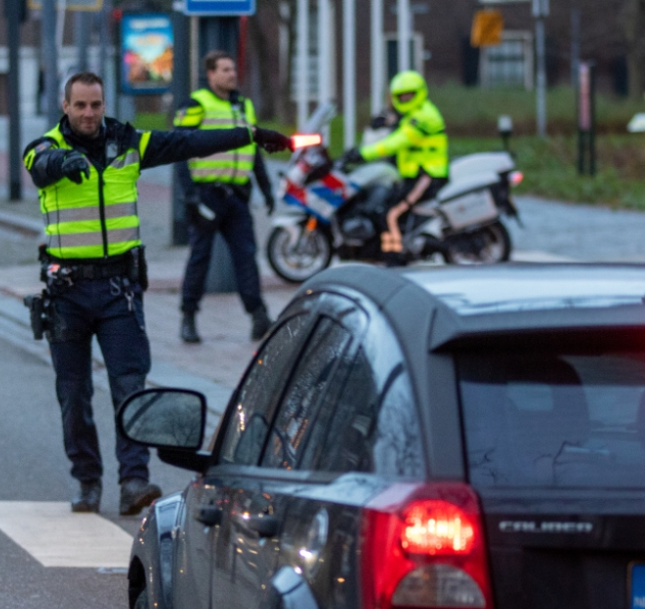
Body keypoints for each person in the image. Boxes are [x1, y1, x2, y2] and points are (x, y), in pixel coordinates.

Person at [23, 72, 291, 515]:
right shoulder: (44, 146)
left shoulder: (128, 143)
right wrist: (63, 164)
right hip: (67, 292)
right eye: (81, 106)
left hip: (118, 289)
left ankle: (134, 481)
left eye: (96, 105)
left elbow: (189, 143)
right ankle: (87, 481)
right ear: (65, 107)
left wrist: (251, 135)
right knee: (74, 395)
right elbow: (40, 165)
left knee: (130, 389)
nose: (89, 114)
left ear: (104, 104)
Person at [174, 51, 277, 344]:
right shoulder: (196, 103)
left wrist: (265, 186)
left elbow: (254, 148)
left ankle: (259, 316)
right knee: (200, 258)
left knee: (246, 257)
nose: (232, 74)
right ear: (211, 74)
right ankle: (188, 317)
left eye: (233, 69)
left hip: (237, 195)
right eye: (225, 70)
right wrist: (190, 194)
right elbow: (178, 150)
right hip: (207, 194)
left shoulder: (244, 106)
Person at [344, 70, 449, 255]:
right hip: (414, 174)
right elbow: (397, 125)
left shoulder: (422, 117)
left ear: (419, 93)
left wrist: (362, 153)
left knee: (391, 212)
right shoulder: (415, 113)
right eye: (400, 96)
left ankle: (395, 255)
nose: (404, 99)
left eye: (409, 95)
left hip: (426, 175)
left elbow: (398, 141)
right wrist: (384, 122)